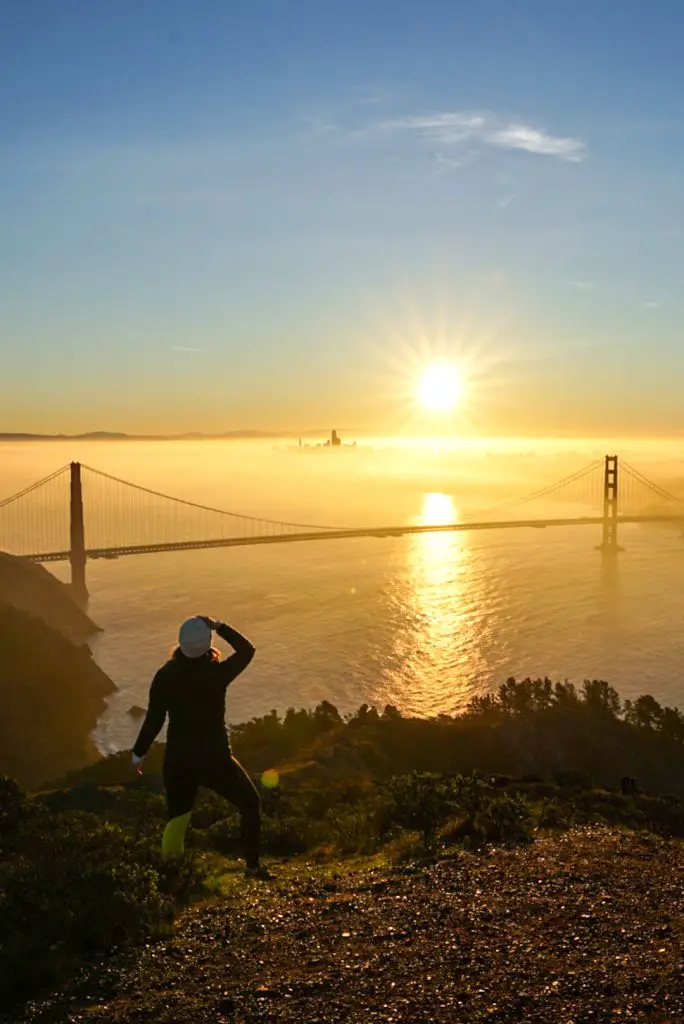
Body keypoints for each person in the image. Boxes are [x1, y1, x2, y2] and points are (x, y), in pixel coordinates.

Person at [131, 615, 271, 879]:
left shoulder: (165, 676)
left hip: (179, 761)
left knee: (177, 821)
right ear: (208, 643)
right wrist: (219, 626)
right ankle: (252, 867)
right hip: (215, 759)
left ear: (181, 643)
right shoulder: (216, 673)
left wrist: (138, 753)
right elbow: (247, 650)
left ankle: (172, 881)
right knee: (250, 803)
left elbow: (154, 719)